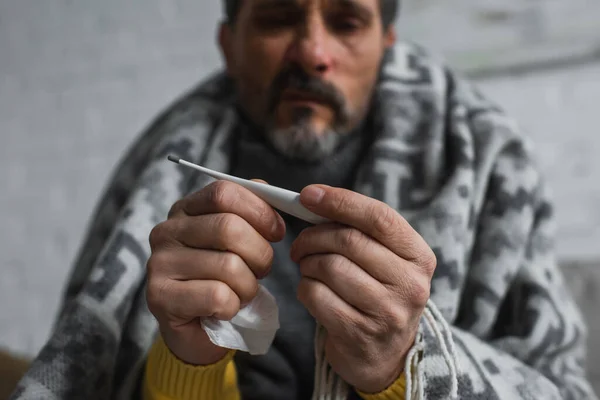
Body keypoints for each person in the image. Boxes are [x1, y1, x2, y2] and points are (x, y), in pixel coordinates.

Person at [10, 0, 598, 399]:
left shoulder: (488, 163)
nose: (313, 52)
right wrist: (185, 361)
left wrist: (405, 364)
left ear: (386, 42)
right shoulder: (152, 178)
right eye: (277, 19)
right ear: (229, 44)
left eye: (345, 22)